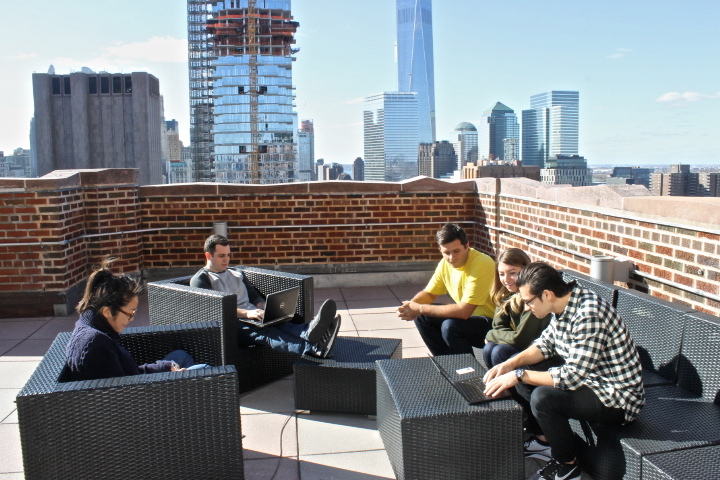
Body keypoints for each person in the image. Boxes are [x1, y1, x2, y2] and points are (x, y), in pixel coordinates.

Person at [483, 262, 645, 480]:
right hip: (590, 381)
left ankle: (567, 466)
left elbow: (571, 377)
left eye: (528, 301)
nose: (526, 307)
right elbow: (545, 345)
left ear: (547, 294)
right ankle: (544, 441)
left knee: (542, 398)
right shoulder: (565, 303)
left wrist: (518, 375)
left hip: (617, 397)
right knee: (517, 363)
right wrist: (511, 364)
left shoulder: (589, 314)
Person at [190, 234, 341, 358]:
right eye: (221, 256)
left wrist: (263, 306)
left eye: (228, 255)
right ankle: (313, 348)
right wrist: (247, 313)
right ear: (208, 255)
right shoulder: (201, 280)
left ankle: (309, 330)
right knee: (268, 333)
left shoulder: (236, 273)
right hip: (230, 325)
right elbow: (214, 309)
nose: (226, 260)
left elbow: (253, 295)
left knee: (279, 321)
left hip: (253, 316)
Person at [66, 257, 206, 381]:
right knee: (205, 369)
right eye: (130, 313)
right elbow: (127, 392)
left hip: (134, 387)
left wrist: (166, 367)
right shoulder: (96, 345)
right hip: (140, 400)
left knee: (180, 356)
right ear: (107, 311)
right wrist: (169, 378)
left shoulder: (91, 328)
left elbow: (129, 375)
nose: (132, 319)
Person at [396, 223, 495, 356]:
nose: (452, 258)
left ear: (467, 246)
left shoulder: (481, 263)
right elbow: (429, 294)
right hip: (470, 320)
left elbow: (464, 312)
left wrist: (419, 308)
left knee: (450, 326)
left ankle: (468, 371)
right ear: (440, 250)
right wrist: (409, 306)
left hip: (493, 324)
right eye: (446, 253)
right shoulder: (445, 264)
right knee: (423, 317)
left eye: (456, 251)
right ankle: (447, 363)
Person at [482, 248, 552, 368]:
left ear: (525, 270)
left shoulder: (533, 298)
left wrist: (491, 334)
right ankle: (495, 383)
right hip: (521, 344)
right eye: (502, 274)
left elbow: (520, 340)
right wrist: (497, 333)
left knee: (499, 352)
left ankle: (511, 385)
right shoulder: (506, 293)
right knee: (489, 348)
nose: (506, 279)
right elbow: (498, 326)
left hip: (540, 352)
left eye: (513, 273)